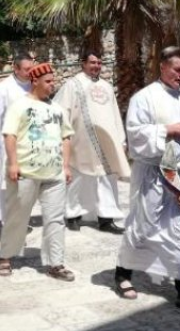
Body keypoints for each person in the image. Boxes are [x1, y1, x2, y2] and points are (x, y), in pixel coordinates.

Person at [114, 47, 180, 313]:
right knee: (142, 225)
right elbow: (135, 135)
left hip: (178, 176)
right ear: (162, 67)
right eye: (177, 69)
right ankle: (123, 273)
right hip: (151, 174)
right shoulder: (144, 97)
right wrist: (168, 130)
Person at [0, 62, 76, 281]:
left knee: (55, 219)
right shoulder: (19, 106)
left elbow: (66, 137)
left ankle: (56, 263)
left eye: (54, 81)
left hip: (54, 174)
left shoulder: (57, 109)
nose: (53, 85)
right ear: (35, 81)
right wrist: (13, 164)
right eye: (49, 81)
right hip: (26, 172)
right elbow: (10, 135)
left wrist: (66, 167)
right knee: (17, 216)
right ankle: (6, 256)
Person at [53, 50, 130, 234]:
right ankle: (72, 215)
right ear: (83, 63)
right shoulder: (73, 85)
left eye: (99, 63)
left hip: (107, 142)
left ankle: (106, 218)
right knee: (77, 178)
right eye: (93, 62)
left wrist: (120, 138)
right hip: (80, 139)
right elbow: (62, 110)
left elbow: (114, 113)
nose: (96, 66)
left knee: (107, 178)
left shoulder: (107, 86)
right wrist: (64, 136)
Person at [0, 53, 35, 215]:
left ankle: (21, 219)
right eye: (26, 69)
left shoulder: (35, 86)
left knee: (28, 184)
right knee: (8, 183)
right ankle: (7, 223)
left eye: (31, 68)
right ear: (15, 68)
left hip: (31, 143)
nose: (30, 72)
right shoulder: (3, 88)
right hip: (9, 145)